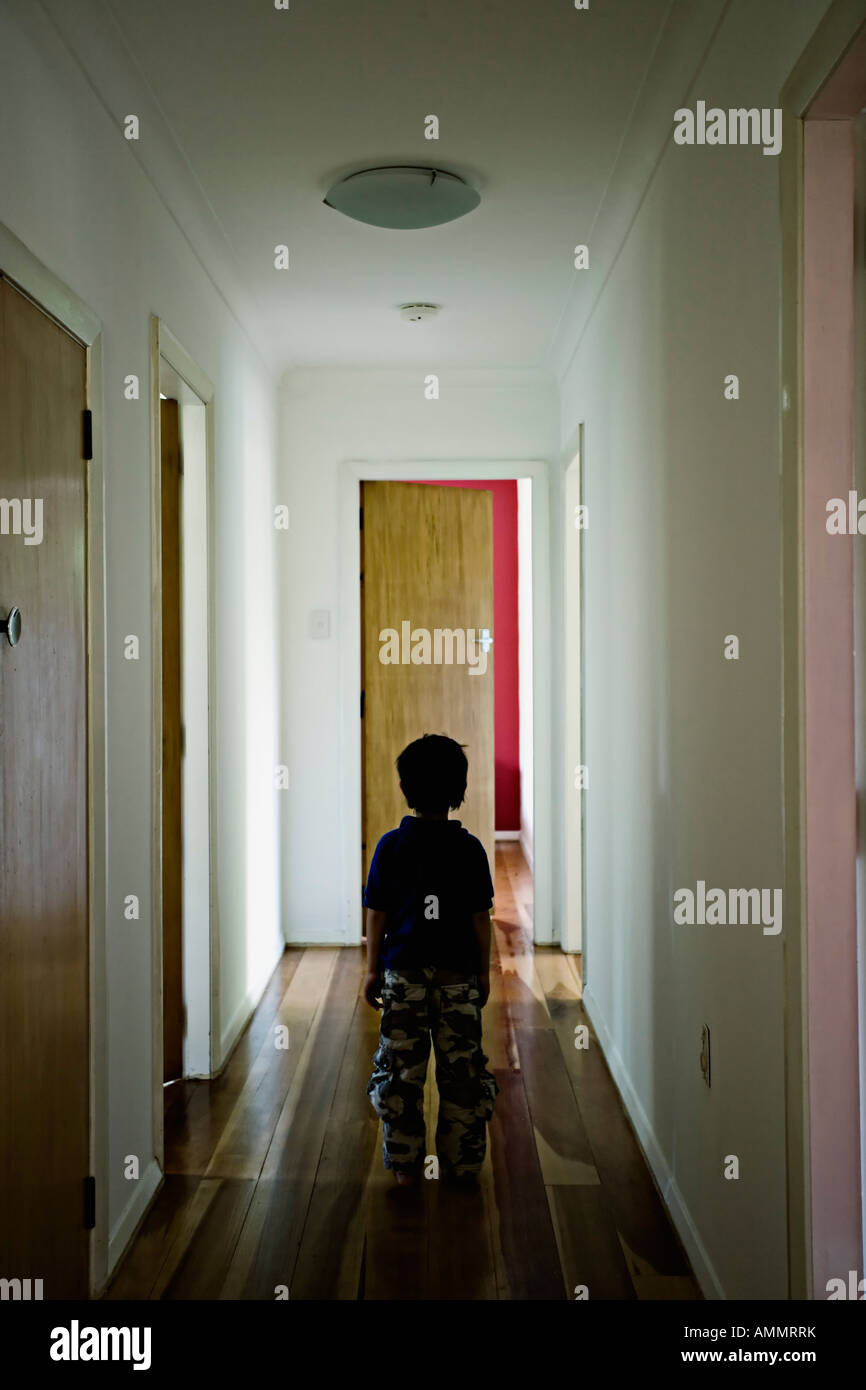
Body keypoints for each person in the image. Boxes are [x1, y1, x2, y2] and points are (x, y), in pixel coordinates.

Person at [363, 733, 499, 1187]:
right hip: (458, 977)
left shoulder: (389, 847)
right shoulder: (471, 850)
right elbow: (481, 920)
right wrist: (483, 971)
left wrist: (370, 970)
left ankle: (405, 1165)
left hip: (402, 977)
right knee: (462, 1074)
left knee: (401, 1072)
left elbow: (377, 916)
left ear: (406, 789)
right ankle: (462, 1165)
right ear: (459, 792)